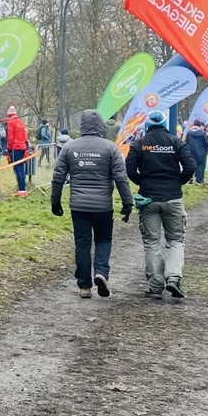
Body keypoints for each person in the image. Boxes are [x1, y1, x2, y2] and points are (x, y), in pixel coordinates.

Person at [51, 110, 134, 299]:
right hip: (103, 205)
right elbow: (121, 178)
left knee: (82, 243)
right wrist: (127, 203)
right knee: (104, 240)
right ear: (101, 126)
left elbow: (58, 178)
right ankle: (101, 272)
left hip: (78, 205)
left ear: (82, 126)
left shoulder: (70, 148)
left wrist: (55, 202)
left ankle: (84, 286)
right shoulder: (110, 148)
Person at [126, 110, 196, 300]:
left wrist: (143, 182)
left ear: (147, 124)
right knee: (175, 240)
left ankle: (155, 285)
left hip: (148, 198)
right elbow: (190, 167)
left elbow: (130, 169)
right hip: (173, 197)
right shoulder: (176, 142)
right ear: (165, 123)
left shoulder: (139, 143)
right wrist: (178, 182)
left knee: (151, 242)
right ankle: (173, 278)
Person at [5, 106, 29, 197]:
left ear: (9, 115)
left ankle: (21, 190)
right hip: (22, 147)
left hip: (15, 148)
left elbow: (10, 138)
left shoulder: (11, 123)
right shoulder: (21, 122)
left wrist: (8, 148)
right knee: (21, 168)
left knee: (17, 169)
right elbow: (25, 136)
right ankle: (23, 188)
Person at [186, 119, 208, 185]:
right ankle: (199, 181)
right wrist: (205, 150)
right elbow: (206, 143)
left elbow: (186, 142)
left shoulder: (189, 132)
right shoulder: (202, 133)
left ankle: (190, 178)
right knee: (200, 166)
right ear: (199, 125)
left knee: (191, 165)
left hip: (191, 152)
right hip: (201, 153)